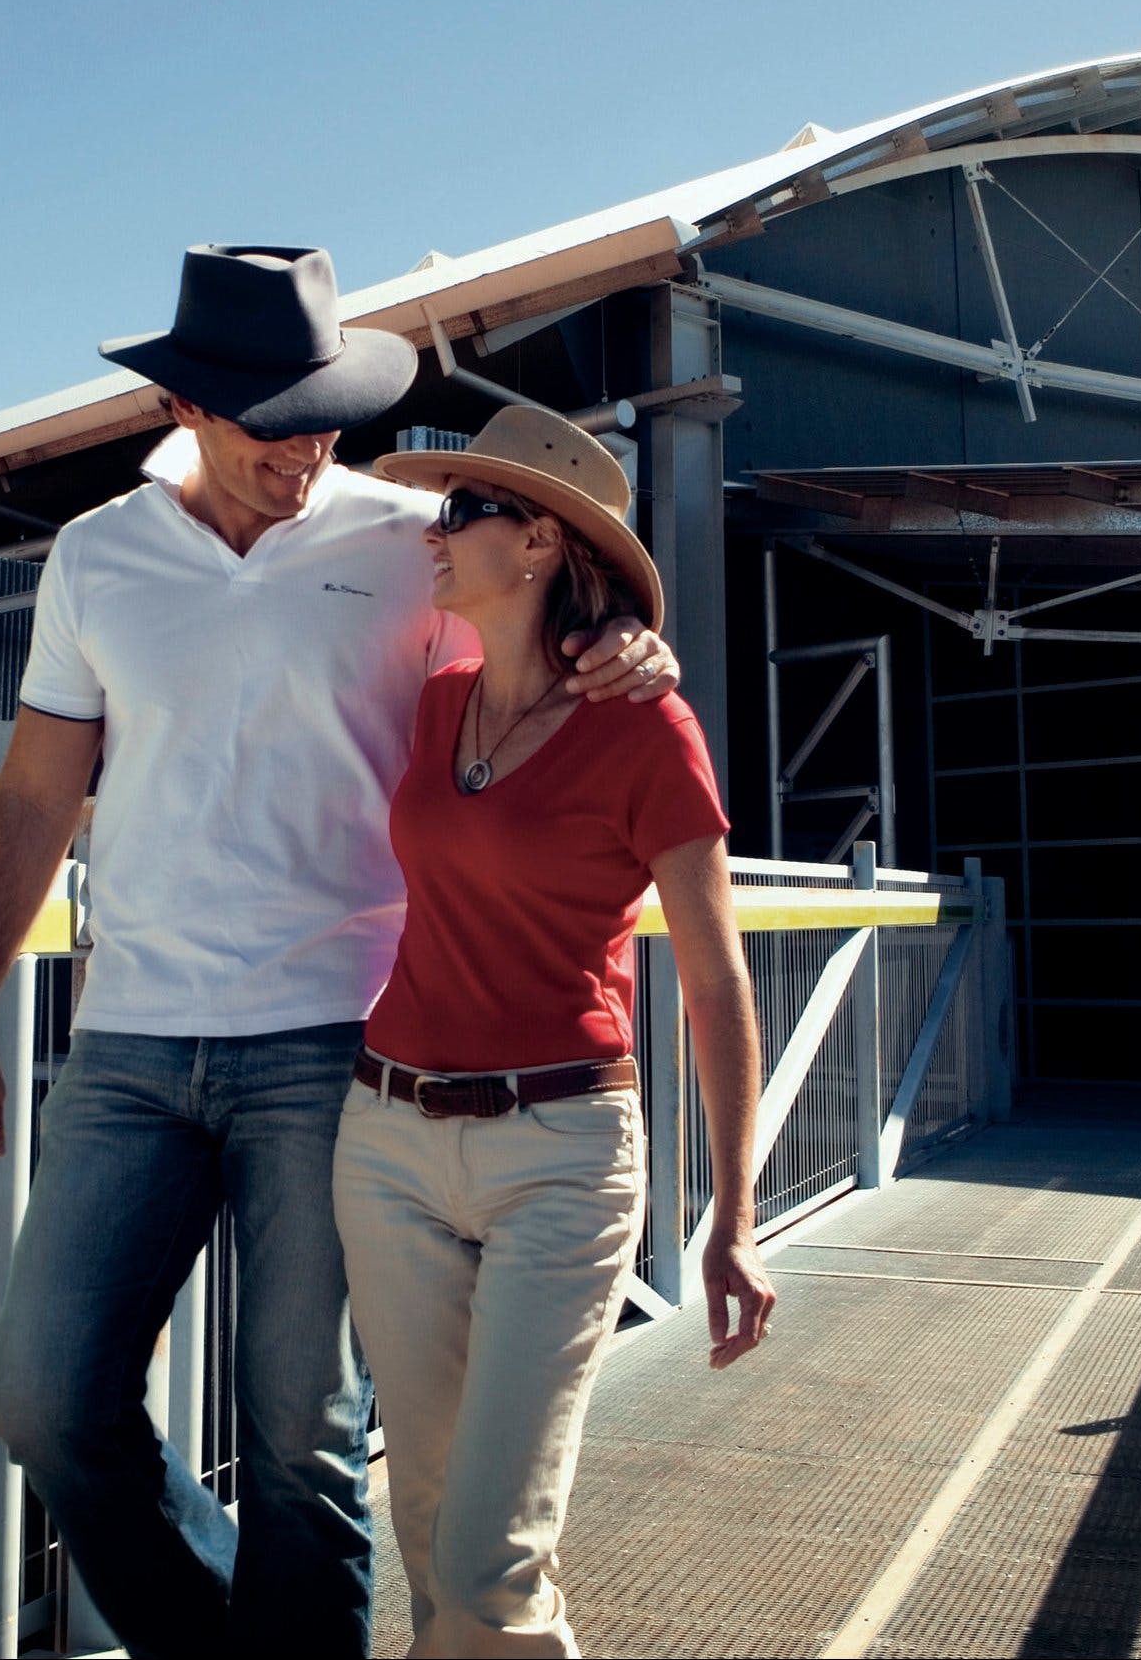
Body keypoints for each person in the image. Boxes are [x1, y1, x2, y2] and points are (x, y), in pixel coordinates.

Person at [0, 244, 677, 1660]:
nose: (310, 440)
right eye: (275, 412)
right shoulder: (99, 553)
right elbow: (34, 793)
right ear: (190, 406)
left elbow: (552, 613)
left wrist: (634, 640)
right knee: (45, 1398)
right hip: (132, 1044)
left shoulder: (409, 539)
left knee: (298, 1433)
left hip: (338, 1042)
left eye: (328, 404)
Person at [336, 403, 774, 1658]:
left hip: (558, 1149)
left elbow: (711, 977)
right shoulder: (440, 700)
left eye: (461, 511)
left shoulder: (646, 728)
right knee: (422, 1526)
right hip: (388, 1136)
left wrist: (731, 1222)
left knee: (488, 1547)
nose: (435, 529)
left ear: (534, 543)